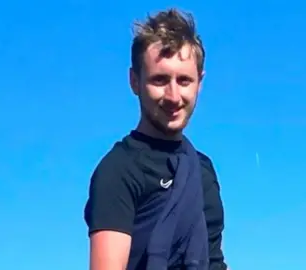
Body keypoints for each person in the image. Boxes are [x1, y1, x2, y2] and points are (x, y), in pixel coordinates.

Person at [84, 8, 228, 270]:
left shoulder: (202, 171)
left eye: (184, 80)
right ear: (134, 81)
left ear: (200, 83)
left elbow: (215, 262)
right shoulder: (119, 170)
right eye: (160, 80)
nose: (173, 96)